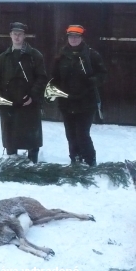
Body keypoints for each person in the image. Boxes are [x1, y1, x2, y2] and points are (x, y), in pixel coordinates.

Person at [51, 25, 107, 167]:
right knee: (70, 134)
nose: (74, 39)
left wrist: (92, 81)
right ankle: (74, 159)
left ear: (81, 38)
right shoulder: (60, 56)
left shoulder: (92, 55)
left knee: (82, 134)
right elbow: (54, 77)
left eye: (77, 36)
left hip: (86, 102)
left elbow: (103, 74)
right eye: (71, 36)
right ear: (67, 38)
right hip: (67, 102)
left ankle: (89, 161)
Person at [0, 22, 47, 163]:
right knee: (10, 137)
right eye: (14, 33)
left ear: (24, 36)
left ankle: (33, 164)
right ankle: (11, 164)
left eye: (20, 34)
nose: (17, 37)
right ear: (10, 35)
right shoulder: (2, 58)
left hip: (29, 103)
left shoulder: (35, 56)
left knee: (31, 137)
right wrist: (2, 99)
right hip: (9, 103)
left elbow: (41, 78)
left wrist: (32, 96)